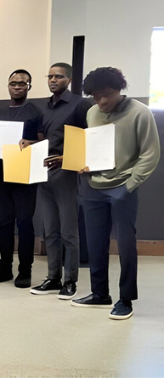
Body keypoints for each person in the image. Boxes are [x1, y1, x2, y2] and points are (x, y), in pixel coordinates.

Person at [71, 67, 160, 320]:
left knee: (125, 245)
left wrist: (130, 186)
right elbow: (92, 148)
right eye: (95, 96)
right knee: (95, 243)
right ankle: (100, 294)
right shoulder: (92, 113)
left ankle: (126, 299)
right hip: (93, 187)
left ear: (119, 90)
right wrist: (84, 165)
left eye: (107, 95)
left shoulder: (140, 113)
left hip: (123, 188)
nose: (102, 101)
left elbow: (150, 154)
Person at [29, 63, 91, 299]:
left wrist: (66, 158)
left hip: (66, 173)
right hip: (43, 172)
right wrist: (30, 145)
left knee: (69, 231)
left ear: (69, 80)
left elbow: (90, 138)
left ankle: (70, 281)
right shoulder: (44, 106)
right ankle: (52, 277)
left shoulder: (81, 104)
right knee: (50, 230)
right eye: (50, 76)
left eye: (59, 77)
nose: (53, 80)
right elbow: (43, 138)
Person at [0, 69, 42, 288]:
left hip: (25, 176)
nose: (17, 87)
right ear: (8, 85)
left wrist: (31, 144)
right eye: (13, 83)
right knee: (4, 223)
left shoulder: (35, 112)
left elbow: (44, 144)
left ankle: (25, 270)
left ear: (29, 86)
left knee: (24, 223)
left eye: (22, 83)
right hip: (1, 176)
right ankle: (5, 267)